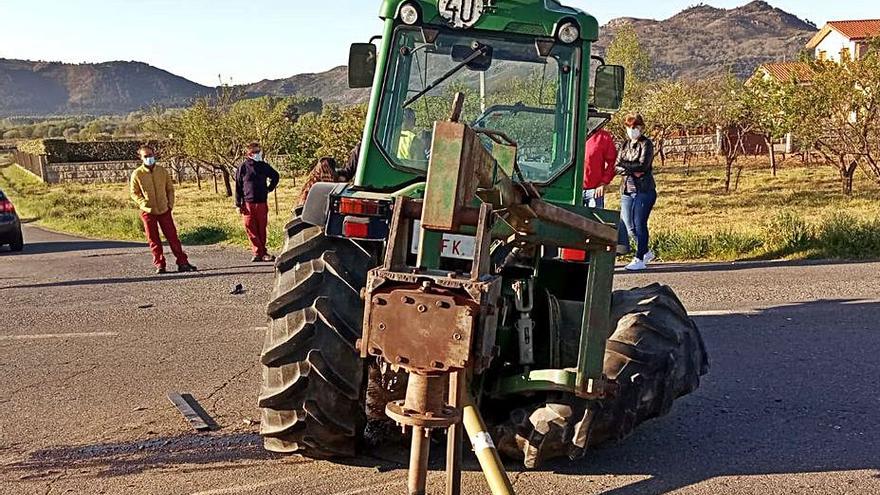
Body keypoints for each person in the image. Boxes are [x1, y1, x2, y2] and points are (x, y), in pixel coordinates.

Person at [129, 145, 197, 274]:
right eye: (146, 156)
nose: (149, 158)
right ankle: (160, 264)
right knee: (153, 239)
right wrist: (143, 203)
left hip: (164, 209)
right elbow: (134, 193)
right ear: (140, 158)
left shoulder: (162, 171)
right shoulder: (137, 173)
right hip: (148, 210)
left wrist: (170, 204)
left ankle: (182, 262)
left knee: (172, 237)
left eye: (151, 155)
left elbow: (170, 189)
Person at [616, 114, 657, 272]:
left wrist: (627, 167)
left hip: (644, 190)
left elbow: (643, 166)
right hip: (627, 189)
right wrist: (631, 168)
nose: (632, 130)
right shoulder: (625, 144)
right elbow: (617, 166)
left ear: (641, 128)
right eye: (630, 127)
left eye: (636, 127)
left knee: (640, 223)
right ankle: (646, 251)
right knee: (628, 224)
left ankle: (639, 258)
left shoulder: (646, 144)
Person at [235, 142, 280, 263]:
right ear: (248, 153)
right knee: (250, 227)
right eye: (254, 152)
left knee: (261, 228)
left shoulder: (264, 166)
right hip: (247, 203)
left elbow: (276, 176)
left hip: (261, 202)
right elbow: (238, 186)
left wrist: (269, 188)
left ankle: (263, 252)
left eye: (258, 151)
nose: (257, 154)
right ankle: (257, 252)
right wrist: (238, 203)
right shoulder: (243, 167)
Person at [583, 122, 618, 209]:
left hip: (594, 191)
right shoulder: (568, 134)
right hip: (570, 190)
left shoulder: (603, 137)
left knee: (593, 221)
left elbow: (613, 162)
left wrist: (604, 182)